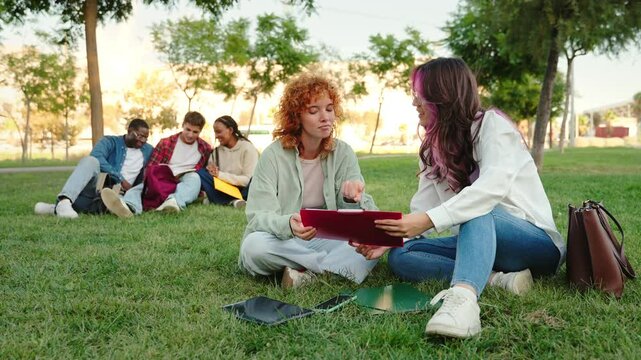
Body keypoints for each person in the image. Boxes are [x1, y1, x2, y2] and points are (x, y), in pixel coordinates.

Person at [353, 58, 565, 338]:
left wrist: (427, 220)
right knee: (402, 256)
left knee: (478, 208)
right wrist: (390, 238)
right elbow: (422, 210)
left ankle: (463, 300)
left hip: (534, 245)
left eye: (420, 94)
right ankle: (496, 279)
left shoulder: (493, 126)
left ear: (443, 95)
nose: (414, 102)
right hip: (480, 243)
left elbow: (489, 190)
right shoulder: (433, 147)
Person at [238, 73, 379, 289]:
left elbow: (363, 216)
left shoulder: (343, 153)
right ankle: (327, 269)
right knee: (254, 247)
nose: (326, 117)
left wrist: (350, 199)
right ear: (297, 117)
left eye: (329, 109)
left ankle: (303, 271)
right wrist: (289, 225)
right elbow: (257, 216)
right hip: (285, 238)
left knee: (370, 244)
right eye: (314, 111)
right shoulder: (273, 155)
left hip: (327, 238)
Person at [34, 119, 153, 219]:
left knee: (131, 193)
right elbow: (96, 155)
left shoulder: (148, 150)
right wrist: (120, 179)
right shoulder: (110, 142)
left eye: (145, 138)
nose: (142, 141)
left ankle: (53, 209)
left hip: (121, 196)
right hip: (96, 189)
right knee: (90, 161)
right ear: (129, 130)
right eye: (140, 135)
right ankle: (64, 201)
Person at [101, 111, 212, 217]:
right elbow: (151, 168)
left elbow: (207, 170)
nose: (190, 135)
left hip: (185, 181)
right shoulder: (166, 143)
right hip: (164, 178)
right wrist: (150, 183)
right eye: (188, 129)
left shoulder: (204, 148)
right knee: (140, 188)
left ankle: (174, 203)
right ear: (183, 125)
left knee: (195, 178)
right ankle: (128, 206)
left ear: (200, 131)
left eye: (195, 132)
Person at [197, 115, 259, 208]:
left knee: (254, 181)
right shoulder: (216, 152)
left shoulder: (247, 148)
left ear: (230, 130)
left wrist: (219, 174)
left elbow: (247, 180)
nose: (216, 136)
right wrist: (211, 171)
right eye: (215, 132)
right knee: (201, 173)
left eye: (219, 132)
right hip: (225, 189)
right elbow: (212, 175)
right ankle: (233, 201)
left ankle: (220, 200)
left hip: (244, 189)